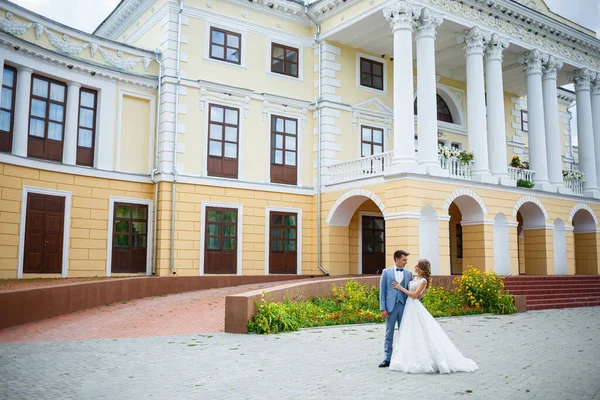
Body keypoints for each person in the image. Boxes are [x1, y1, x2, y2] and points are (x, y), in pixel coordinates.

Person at [388, 259, 479, 374]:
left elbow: (415, 295)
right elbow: (418, 294)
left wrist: (400, 288)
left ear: (420, 268)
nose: (415, 266)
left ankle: (426, 359)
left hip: (414, 306)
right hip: (409, 307)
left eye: (417, 265)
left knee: (421, 331)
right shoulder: (415, 278)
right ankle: (406, 357)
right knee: (410, 331)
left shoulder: (423, 281)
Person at [378, 250, 412, 368]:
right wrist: (383, 308)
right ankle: (387, 359)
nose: (406, 262)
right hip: (390, 308)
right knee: (389, 333)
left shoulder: (409, 273)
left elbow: (411, 290)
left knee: (404, 332)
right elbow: (382, 291)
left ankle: (403, 357)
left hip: (404, 306)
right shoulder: (386, 272)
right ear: (397, 259)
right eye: (404, 260)